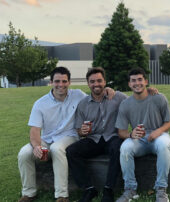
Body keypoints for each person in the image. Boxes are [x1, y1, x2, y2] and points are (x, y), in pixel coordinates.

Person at [17, 67, 114, 202]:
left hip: (70, 136)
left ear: (69, 82)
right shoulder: (40, 104)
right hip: (47, 139)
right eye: (57, 81)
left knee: (57, 148)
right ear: (51, 82)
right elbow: (34, 131)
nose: (60, 85)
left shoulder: (78, 95)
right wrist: (37, 147)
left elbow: (96, 95)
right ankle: (29, 193)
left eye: (64, 81)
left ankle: (62, 195)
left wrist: (107, 90)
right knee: (24, 153)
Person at [66, 67, 127, 202]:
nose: (96, 84)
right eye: (92, 81)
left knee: (118, 148)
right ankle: (89, 188)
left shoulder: (117, 97)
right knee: (71, 151)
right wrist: (82, 131)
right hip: (94, 138)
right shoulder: (83, 104)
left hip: (112, 136)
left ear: (105, 81)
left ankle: (108, 189)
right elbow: (79, 131)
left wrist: (150, 91)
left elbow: (135, 102)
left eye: (99, 80)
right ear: (88, 84)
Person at [115, 68, 170, 202]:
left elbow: (169, 121)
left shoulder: (159, 97)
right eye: (133, 80)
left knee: (164, 145)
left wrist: (158, 131)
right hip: (139, 140)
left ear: (146, 81)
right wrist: (131, 134)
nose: (137, 83)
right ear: (129, 84)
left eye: (140, 79)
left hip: (159, 136)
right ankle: (130, 189)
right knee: (125, 148)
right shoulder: (125, 104)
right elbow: (121, 132)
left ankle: (161, 190)